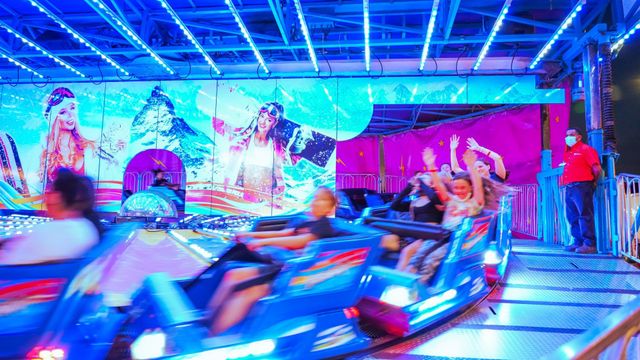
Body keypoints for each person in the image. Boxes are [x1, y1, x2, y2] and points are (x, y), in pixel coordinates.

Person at [207, 187, 338, 334]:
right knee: (233, 275)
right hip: (281, 268)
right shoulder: (307, 222)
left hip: (296, 276)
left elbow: (300, 240)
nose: (315, 202)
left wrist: (264, 243)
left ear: (330, 207)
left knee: (248, 293)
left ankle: (215, 335)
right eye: (315, 198)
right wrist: (249, 234)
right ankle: (208, 320)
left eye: (322, 199)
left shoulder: (324, 226)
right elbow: (282, 233)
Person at [396, 148, 485, 282]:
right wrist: (431, 165)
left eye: (463, 188)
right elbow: (439, 186)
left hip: (458, 240)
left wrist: (471, 166)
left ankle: (418, 286)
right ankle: (403, 283)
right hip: (440, 235)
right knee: (418, 255)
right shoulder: (450, 200)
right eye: (456, 188)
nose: (459, 191)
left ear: (470, 188)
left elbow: (478, 187)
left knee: (432, 258)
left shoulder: (475, 203)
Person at [0, 169, 101, 265]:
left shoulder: (47, 232)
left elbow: (7, 263)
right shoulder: (88, 229)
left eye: (51, 190)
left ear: (59, 197)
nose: (46, 195)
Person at [213, 102, 286, 202]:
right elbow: (218, 125)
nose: (263, 122)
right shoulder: (243, 135)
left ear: (274, 123)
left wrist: (280, 188)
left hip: (265, 198)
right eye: (261, 116)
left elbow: (282, 166)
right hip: (242, 193)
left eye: (268, 120)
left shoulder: (276, 146)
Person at [39, 87, 96, 184]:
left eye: (72, 108)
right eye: (63, 112)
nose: (70, 115)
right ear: (54, 119)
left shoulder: (87, 148)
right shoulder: (47, 151)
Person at [561, 128, 601, 254]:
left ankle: (589, 244)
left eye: (571, 135)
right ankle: (578, 242)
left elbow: (596, 168)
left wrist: (593, 182)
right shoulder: (568, 152)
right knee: (572, 215)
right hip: (570, 186)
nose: (568, 137)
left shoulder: (586, 149)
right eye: (567, 135)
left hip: (582, 185)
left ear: (579, 137)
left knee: (584, 214)